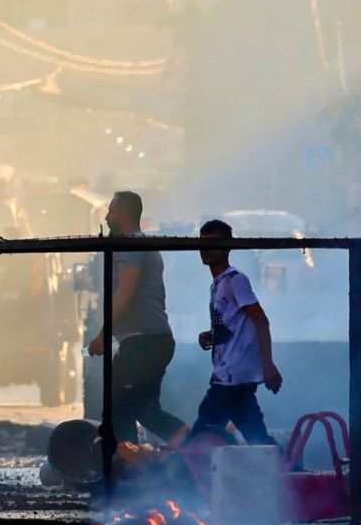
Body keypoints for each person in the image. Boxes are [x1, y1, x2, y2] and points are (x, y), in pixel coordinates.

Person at [86, 191, 188, 446]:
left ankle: (127, 462)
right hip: (154, 340)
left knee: (118, 406)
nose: (106, 217)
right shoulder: (141, 244)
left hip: (143, 343)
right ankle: (194, 448)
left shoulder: (129, 245)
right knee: (146, 411)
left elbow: (126, 292)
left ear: (123, 216)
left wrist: (103, 335)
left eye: (110, 212)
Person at [191, 219, 282, 445]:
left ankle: (178, 467)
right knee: (258, 438)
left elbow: (261, 320)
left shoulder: (235, 279)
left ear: (227, 247)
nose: (206, 249)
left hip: (231, 379)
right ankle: (286, 466)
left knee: (199, 439)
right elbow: (232, 328)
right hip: (232, 378)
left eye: (213, 244)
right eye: (203, 244)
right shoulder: (217, 284)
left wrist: (268, 365)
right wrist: (212, 336)